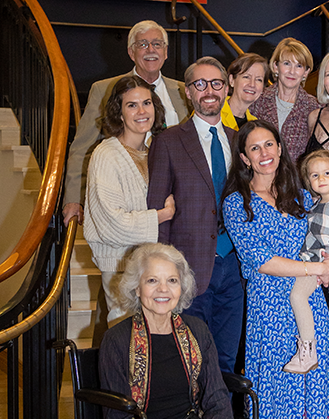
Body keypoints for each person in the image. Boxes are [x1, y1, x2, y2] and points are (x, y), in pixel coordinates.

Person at [222, 120, 329, 419]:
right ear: (244, 158)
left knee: (314, 393)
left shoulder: (303, 196)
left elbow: (324, 239)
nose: (265, 153)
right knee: (279, 399)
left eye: (269, 144)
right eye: (255, 148)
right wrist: (315, 270)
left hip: (310, 309)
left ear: (280, 148)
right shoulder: (236, 204)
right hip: (270, 313)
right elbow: (263, 261)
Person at [99, 243, 262, 419]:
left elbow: (216, 395)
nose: (163, 290)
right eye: (152, 281)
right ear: (136, 288)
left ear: (181, 287)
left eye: (172, 281)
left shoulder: (196, 330)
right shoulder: (117, 340)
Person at [147, 57, 243, 375]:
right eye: (200, 84)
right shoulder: (169, 141)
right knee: (189, 359)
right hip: (189, 268)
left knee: (227, 358)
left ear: (227, 89)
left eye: (216, 83)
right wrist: (164, 273)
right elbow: (157, 209)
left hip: (236, 268)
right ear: (188, 92)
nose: (209, 91)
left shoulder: (239, 140)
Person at [63, 20, 189, 227]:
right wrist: (73, 198)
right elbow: (82, 148)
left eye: (157, 44)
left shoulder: (184, 92)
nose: (151, 50)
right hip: (127, 201)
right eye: (143, 44)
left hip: (176, 199)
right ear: (131, 53)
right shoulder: (104, 90)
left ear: (166, 52)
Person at [83, 76, 175, 328]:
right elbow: (111, 223)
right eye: (132, 105)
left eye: (147, 103)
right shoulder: (106, 154)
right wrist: (161, 216)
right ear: (119, 113)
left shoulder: (158, 150)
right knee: (129, 344)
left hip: (156, 266)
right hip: (121, 267)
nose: (142, 111)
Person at [283, 150, 329, 374]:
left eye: (327, 173)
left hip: (316, 262)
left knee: (297, 295)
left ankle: (308, 350)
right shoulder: (316, 203)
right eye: (314, 176)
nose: (321, 179)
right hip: (306, 260)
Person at [249, 38, 320, 162]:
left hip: (296, 179)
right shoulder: (257, 100)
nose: (292, 72)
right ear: (276, 66)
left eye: (299, 66)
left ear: (306, 72)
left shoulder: (314, 107)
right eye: (287, 63)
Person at [221, 53, 268, 131]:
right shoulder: (212, 114)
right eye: (246, 77)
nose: (252, 84)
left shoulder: (255, 125)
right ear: (231, 80)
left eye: (258, 79)